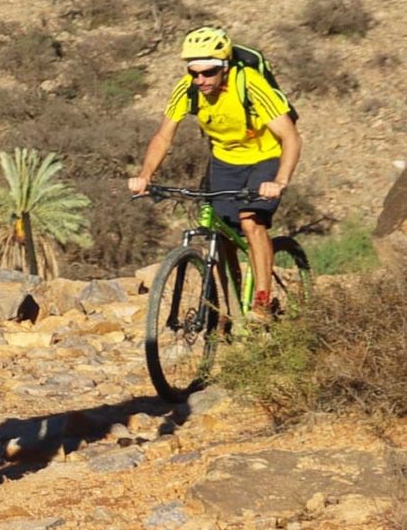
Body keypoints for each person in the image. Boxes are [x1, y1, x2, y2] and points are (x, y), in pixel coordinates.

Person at [127, 26, 302, 318]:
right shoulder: (187, 89)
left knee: (251, 222)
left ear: (224, 67)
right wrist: (145, 175)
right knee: (218, 233)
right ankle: (228, 308)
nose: (200, 80)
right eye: (194, 73)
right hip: (224, 160)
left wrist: (280, 180)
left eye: (207, 73)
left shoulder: (249, 83)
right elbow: (163, 137)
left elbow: (291, 137)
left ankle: (262, 302)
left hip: (265, 156)